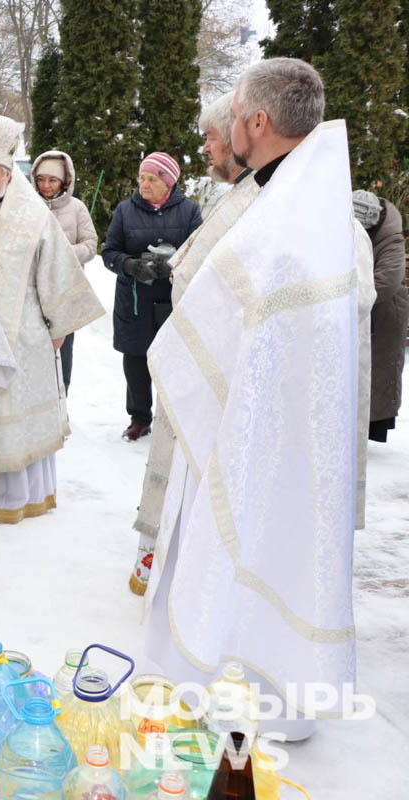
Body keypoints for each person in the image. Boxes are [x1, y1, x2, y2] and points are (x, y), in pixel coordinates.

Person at [141, 58, 375, 742]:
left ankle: (236, 687)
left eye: (234, 114)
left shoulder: (292, 217)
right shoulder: (296, 196)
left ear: (258, 122)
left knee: (248, 538)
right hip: (265, 415)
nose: (225, 131)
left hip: (254, 422)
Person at [128, 89, 264, 595]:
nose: (205, 149)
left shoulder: (263, 200)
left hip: (222, 377)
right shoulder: (244, 196)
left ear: (244, 131)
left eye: (211, 137)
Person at [0, 114, 104, 524]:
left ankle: (15, 500)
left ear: (8, 172)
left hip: (21, 335)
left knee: (12, 418)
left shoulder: (34, 216)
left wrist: (58, 327)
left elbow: (57, 272)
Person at [102, 152, 202, 441]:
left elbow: (199, 250)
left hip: (171, 299)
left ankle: (174, 417)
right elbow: (110, 251)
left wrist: (171, 265)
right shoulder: (125, 211)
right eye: (141, 178)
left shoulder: (189, 211)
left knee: (175, 358)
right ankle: (140, 418)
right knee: (135, 358)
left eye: (151, 179)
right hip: (134, 298)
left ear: (167, 182)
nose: (143, 184)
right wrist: (130, 265)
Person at [30, 150, 97, 393]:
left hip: (64, 289)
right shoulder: (27, 205)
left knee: (63, 350)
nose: (46, 186)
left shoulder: (77, 208)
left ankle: (61, 398)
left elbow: (90, 246)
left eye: (52, 180)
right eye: (41, 179)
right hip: (32, 290)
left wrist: (63, 253)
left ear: (64, 181)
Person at [353, 190, 408, 443]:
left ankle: (366, 433)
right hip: (357, 307)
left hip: (384, 311)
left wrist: (348, 299)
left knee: (377, 372)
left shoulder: (390, 237)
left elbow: (387, 280)